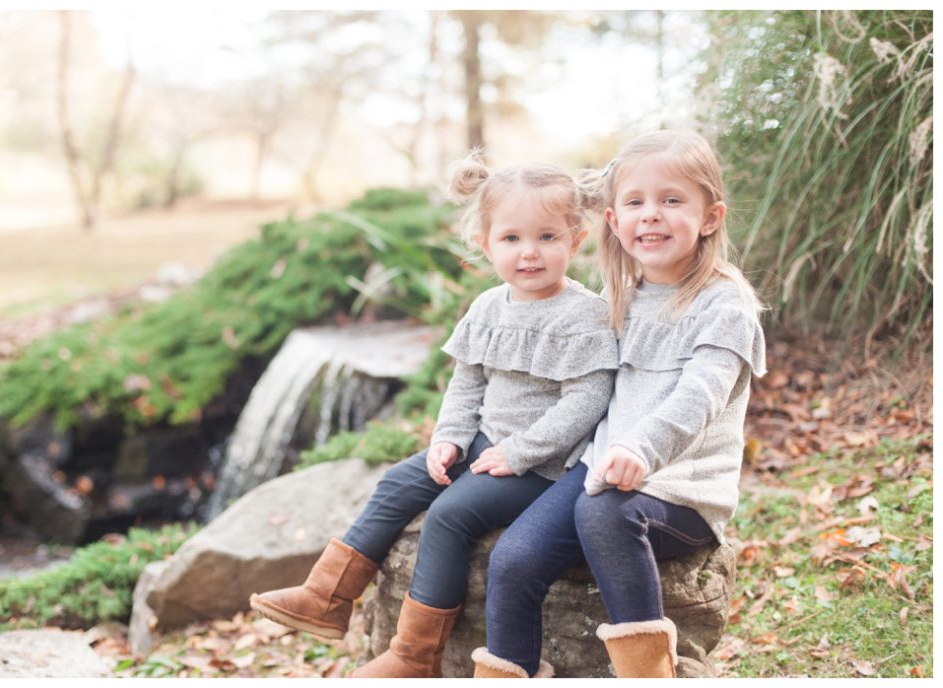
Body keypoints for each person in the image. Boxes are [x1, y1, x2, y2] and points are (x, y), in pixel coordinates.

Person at [248, 155, 619, 678]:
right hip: (482, 443)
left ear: (575, 241)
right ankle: (326, 596)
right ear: (485, 244)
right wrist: (449, 439)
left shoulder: (585, 316)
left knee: (449, 514)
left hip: (543, 466)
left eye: (546, 237)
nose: (529, 252)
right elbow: (467, 383)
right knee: (398, 482)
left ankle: (413, 656)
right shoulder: (488, 307)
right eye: (511, 238)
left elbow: (586, 401)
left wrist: (518, 453)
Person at [471, 130, 767, 679]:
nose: (650, 214)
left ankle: (650, 674)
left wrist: (641, 449)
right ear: (613, 220)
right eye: (635, 202)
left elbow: (699, 396)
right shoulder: (620, 296)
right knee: (513, 558)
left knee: (604, 513)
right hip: (604, 472)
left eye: (671, 200)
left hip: (681, 491)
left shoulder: (725, 305)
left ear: (710, 217)